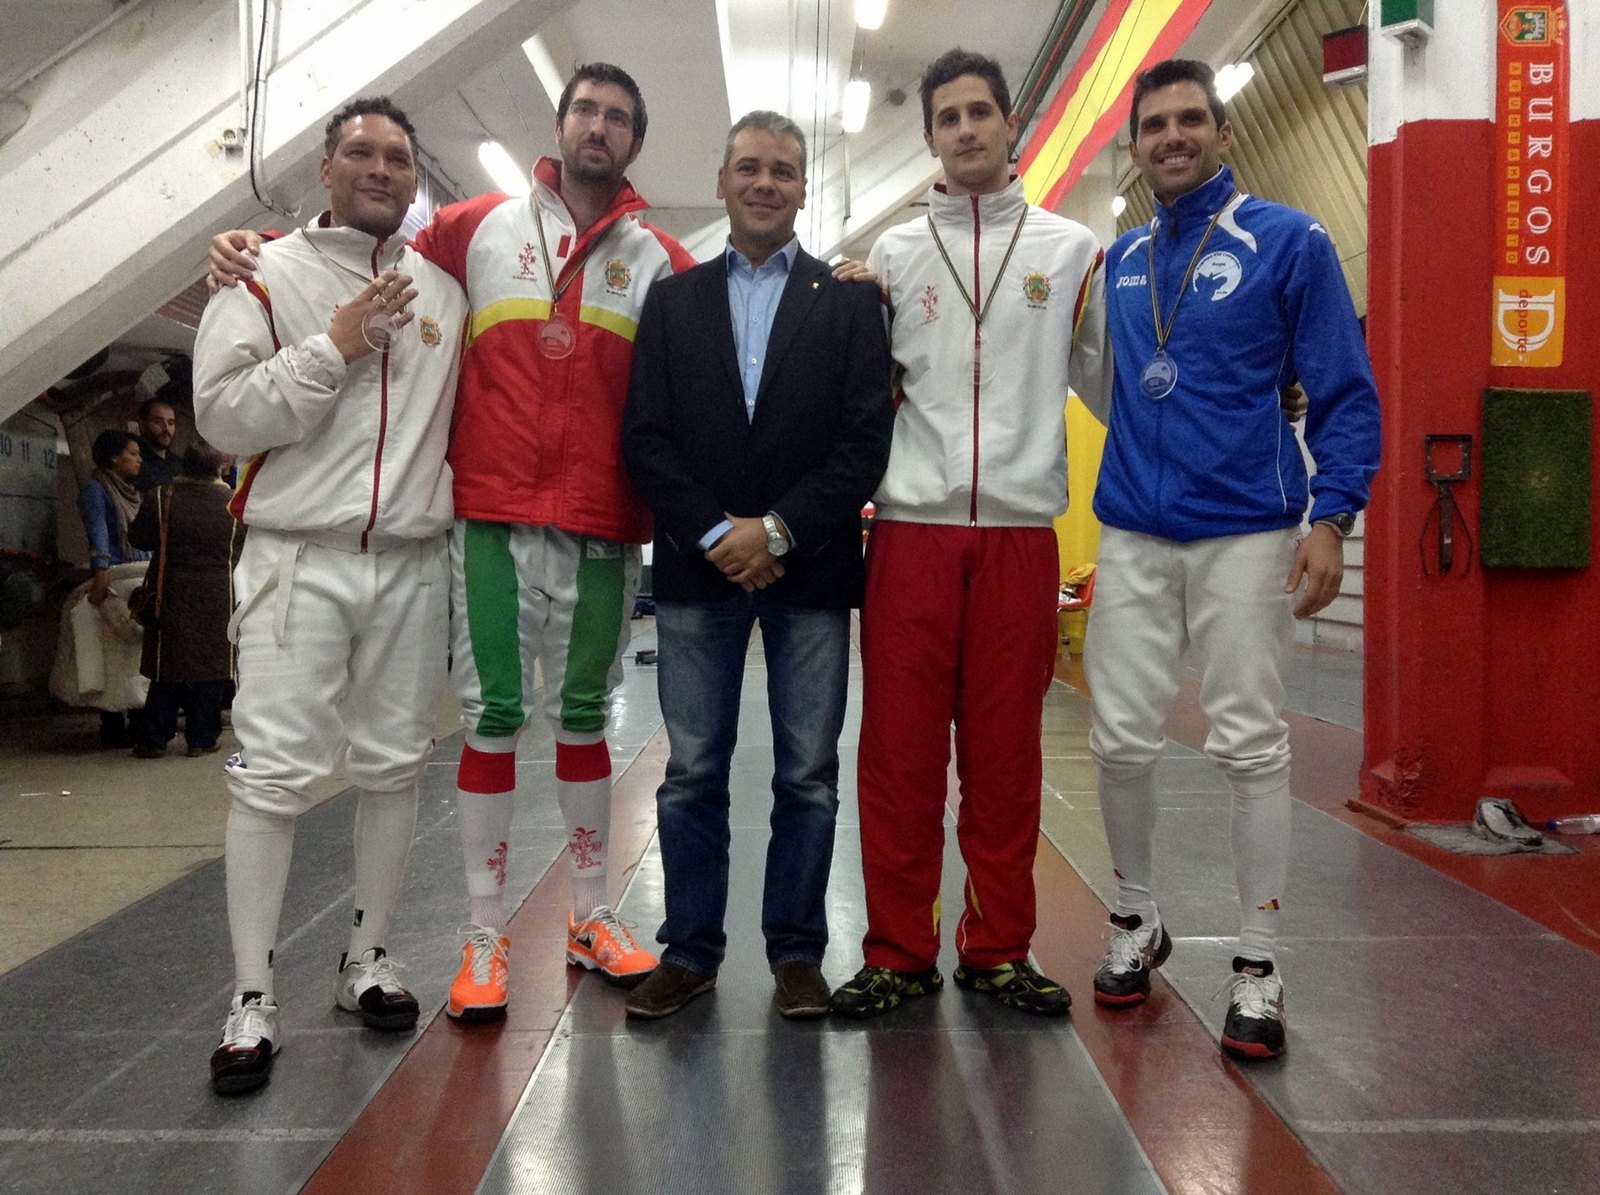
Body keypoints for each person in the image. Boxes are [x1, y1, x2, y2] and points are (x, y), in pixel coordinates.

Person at [207, 64, 697, 1020]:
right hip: (490, 520)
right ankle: (483, 931)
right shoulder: (476, 229)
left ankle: (591, 912)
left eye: (617, 117)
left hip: (604, 523)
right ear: (560, 125)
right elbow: (358, 246)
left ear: (635, 140)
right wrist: (252, 246)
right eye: (585, 110)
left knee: (585, 717)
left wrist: (849, 278)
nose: (598, 127)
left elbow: (725, 324)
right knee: (491, 717)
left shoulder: (663, 258)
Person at [1085, 59, 1381, 1061]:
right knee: (1118, 739)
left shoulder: (1291, 241)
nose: (1170, 136)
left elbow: (1342, 387)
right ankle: (1136, 915)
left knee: (1250, 743)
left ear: (1222, 131)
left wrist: (1333, 515)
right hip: (1131, 529)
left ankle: (1258, 961)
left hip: (1248, 528)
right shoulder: (1121, 258)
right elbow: (1100, 379)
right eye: (1153, 124)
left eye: (1189, 119)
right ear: (1134, 145)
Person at [194, 95, 469, 1094]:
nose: (381, 168)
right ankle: (251, 996)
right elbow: (221, 416)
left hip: (408, 562)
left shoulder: (446, 292)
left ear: (415, 176)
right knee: (273, 776)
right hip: (295, 559)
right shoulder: (262, 274)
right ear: (325, 168)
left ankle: (367, 959)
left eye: (398, 155)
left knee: (394, 765)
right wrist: (333, 347)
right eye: (361, 151)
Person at [829, 49, 1111, 1020]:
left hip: (1021, 538)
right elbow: (860, 393)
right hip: (910, 532)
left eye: (979, 112)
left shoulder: (1072, 251)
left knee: (1006, 758)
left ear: (1009, 124)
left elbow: (1112, 386)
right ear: (929, 139)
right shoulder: (894, 255)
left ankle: (996, 948)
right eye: (947, 117)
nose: (965, 129)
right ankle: (898, 950)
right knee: (898, 757)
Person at [620, 112, 894, 1019]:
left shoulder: (847, 303)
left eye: (782, 169)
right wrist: (717, 534)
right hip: (698, 571)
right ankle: (690, 950)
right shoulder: (673, 302)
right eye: (749, 167)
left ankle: (798, 952)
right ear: (723, 180)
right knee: (693, 770)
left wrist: (775, 532)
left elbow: (864, 443)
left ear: (803, 188)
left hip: (809, 570)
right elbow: (646, 438)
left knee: (807, 773)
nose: (765, 182)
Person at [127, 440, 241, 759]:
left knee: (167, 667)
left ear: (183, 465)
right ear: (218, 466)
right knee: (211, 668)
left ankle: (154, 738)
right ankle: (202, 738)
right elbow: (244, 548)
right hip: (219, 596)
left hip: (170, 592)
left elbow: (138, 538)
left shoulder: (161, 497)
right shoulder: (234, 504)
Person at [77, 428, 151, 747]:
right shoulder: (96, 489)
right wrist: (101, 571)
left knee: (136, 653)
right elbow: (98, 531)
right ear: (113, 457)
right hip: (114, 578)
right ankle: (112, 721)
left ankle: (139, 717)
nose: (139, 460)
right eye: (132, 454)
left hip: (138, 573)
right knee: (113, 651)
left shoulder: (134, 493)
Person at [133, 395, 179, 491]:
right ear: (142, 425)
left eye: (170, 423)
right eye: (158, 422)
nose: (166, 429)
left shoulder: (177, 462)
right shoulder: (135, 463)